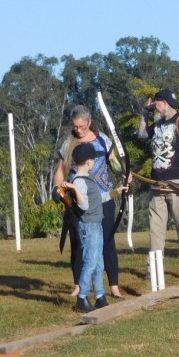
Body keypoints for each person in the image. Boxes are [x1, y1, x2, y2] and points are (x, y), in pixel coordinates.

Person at [54, 105, 124, 298]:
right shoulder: (69, 144)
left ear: (89, 122)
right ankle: (78, 285)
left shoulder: (103, 140)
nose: (79, 130)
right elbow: (60, 171)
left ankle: (114, 286)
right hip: (79, 200)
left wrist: (125, 174)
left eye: (82, 126)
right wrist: (58, 190)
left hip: (103, 198)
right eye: (75, 127)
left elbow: (115, 163)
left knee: (107, 241)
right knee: (78, 242)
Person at [138, 89, 179, 279]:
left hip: (177, 183)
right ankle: (153, 268)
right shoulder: (156, 124)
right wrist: (144, 114)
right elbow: (141, 135)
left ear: (163, 103)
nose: (154, 106)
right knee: (156, 228)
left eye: (155, 103)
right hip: (158, 183)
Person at [61, 143, 126, 313]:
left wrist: (116, 192)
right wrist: (75, 189)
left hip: (96, 225)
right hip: (89, 227)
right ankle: (82, 298)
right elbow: (83, 206)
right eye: (94, 160)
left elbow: (100, 198)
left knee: (99, 263)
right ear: (89, 162)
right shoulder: (79, 182)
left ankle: (100, 296)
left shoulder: (88, 180)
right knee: (90, 262)